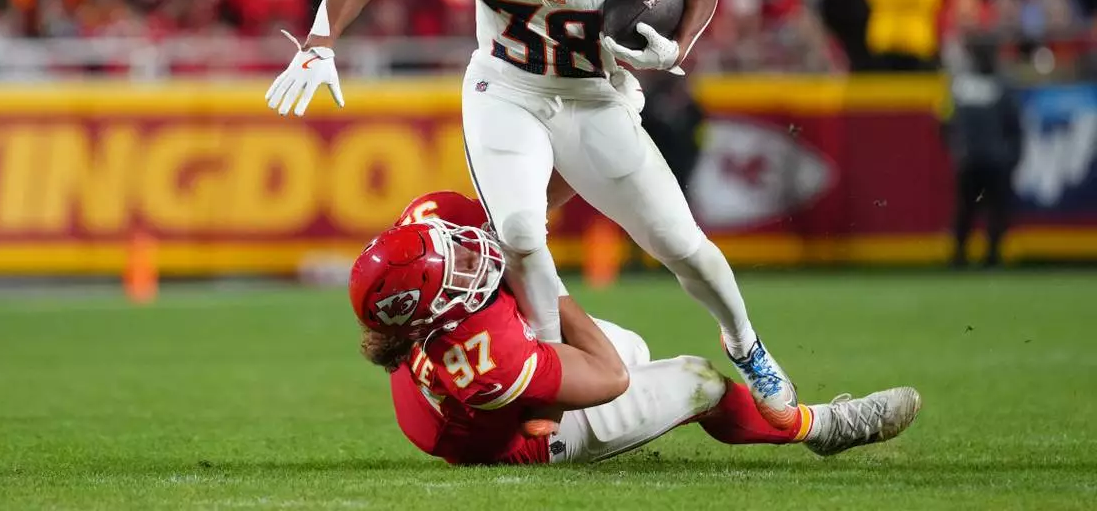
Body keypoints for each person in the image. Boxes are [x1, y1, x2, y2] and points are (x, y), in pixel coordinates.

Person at [267, 0, 801, 429]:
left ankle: (746, 344)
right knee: (519, 233)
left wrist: (677, 46)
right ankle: (551, 379)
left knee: (683, 246)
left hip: (592, 98)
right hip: (505, 88)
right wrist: (321, 40)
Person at [351, 190, 922, 466]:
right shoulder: (487, 357)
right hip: (522, 439)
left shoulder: (431, 231)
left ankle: (607, 418)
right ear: (433, 318)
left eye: (452, 247)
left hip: (458, 402)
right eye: (457, 268)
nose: (471, 252)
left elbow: (520, 202)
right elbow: (610, 377)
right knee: (698, 381)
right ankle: (820, 427)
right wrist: (547, 281)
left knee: (634, 345)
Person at [942, 40, 1024, 267]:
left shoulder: (960, 87)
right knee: (995, 210)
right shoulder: (1002, 86)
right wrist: (1013, 156)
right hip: (995, 159)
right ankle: (991, 256)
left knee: (966, 210)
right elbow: (1014, 125)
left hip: (969, 159)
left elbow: (945, 123)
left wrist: (956, 149)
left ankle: (959, 256)